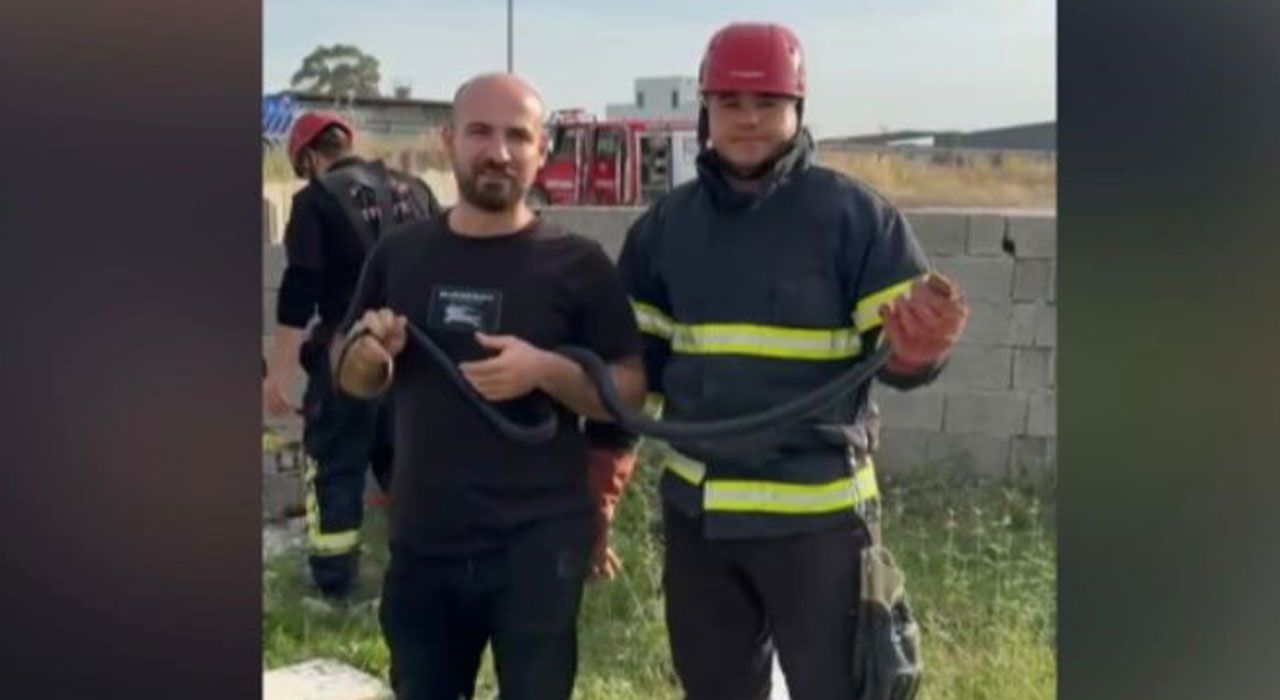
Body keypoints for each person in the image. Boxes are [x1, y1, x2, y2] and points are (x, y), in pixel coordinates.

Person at [604, 22, 970, 700]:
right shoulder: (665, 227)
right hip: (701, 525)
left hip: (819, 527)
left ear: (798, 111)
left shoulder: (855, 216)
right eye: (731, 104)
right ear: (705, 109)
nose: (748, 121)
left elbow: (900, 358)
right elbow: (636, 366)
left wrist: (920, 354)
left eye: (768, 104)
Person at [331, 72, 646, 700]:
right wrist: (370, 354)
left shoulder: (579, 265)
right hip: (425, 538)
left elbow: (631, 391)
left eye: (517, 135)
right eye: (480, 131)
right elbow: (349, 371)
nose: (498, 151)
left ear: (541, 150)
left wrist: (547, 372)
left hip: (538, 546)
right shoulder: (401, 253)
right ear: (448, 140)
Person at [262, 111, 442, 600]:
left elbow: (299, 292)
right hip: (417, 359)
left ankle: (335, 589)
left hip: (348, 360)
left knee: (336, 467)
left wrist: (277, 375)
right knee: (410, 467)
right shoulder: (417, 190)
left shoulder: (316, 200)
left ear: (310, 159)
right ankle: (427, 576)